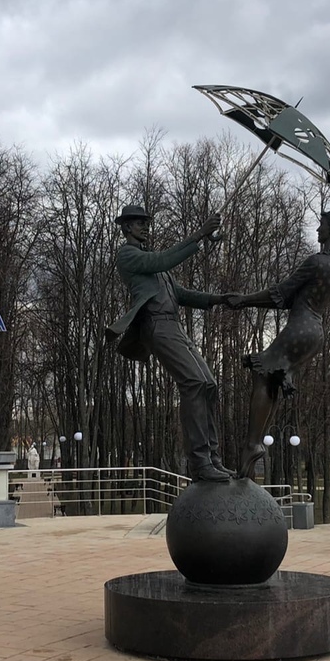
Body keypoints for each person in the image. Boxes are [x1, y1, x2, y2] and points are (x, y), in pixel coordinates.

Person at [227, 194, 330, 477]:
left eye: (321, 224)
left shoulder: (317, 262)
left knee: (263, 375)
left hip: (300, 327)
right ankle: (255, 443)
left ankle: (253, 444)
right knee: (271, 378)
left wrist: (243, 300)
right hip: (315, 333)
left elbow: (280, 294)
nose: (318, 229)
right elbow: (292, 299)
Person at [106, 204, 233, 482]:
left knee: (209, 384)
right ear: (126, 227)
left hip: (173, 325)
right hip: (156, 325)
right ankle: (199, 462)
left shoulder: (154, 263)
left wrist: (218, 299)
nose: (145, 227)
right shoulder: (128, 255)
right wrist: (200, 234)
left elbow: (180, 293)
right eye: (140, 222)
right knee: (194, 382)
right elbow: (162, 261)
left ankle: (213, 458)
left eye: (146, 222)